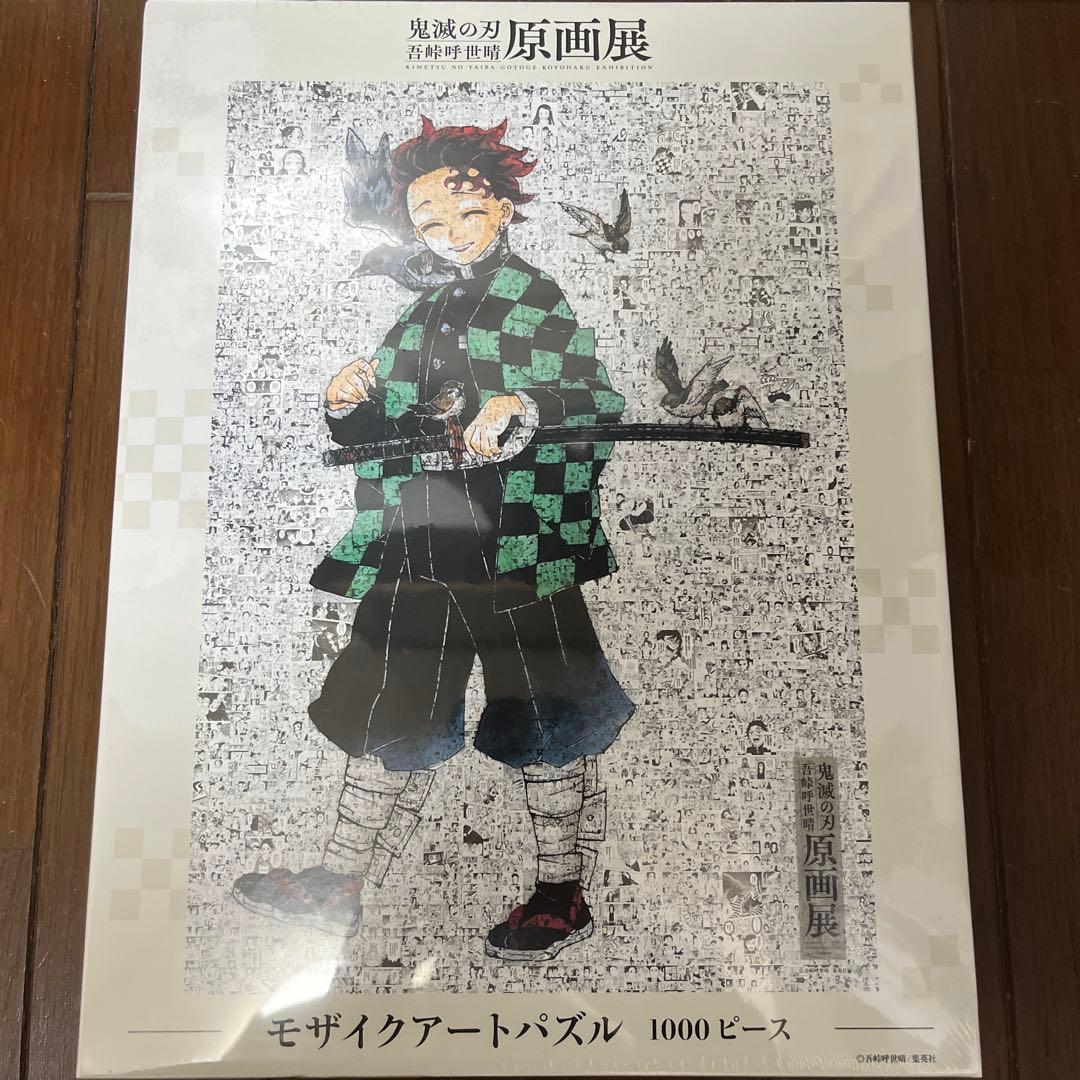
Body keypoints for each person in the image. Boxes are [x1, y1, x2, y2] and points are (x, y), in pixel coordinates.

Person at [232, 117, 634, 961]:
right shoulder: (418, 315)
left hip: (517, 547)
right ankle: (338, 884)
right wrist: (348, 402)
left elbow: (593, 399)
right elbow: (385, 428)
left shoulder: (535, 297)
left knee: (547, 714)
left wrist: (525, 406)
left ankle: (561, 892)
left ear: (505, 208)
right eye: (430, 222)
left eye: (468, 212)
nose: (451, 234)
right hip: (418, 542)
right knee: (390, 706)